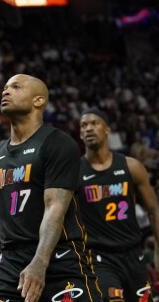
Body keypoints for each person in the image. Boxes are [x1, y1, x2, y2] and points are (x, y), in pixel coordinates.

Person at [0, 74, 102, 302]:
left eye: (15, 87)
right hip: (9, 262)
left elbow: (55, 209)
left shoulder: (57, 143)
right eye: (4, 88)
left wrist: (40, 262)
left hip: (59, 257)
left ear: (39, 100)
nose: (5, 91)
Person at [78, 108, 159, 302]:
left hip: (133, 254)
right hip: (98, 258)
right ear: (80, 134)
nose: (89, 128)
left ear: (107, 129)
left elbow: (154, 210)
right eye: (84, 125)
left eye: (94, 123)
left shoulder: (132, 167)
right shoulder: (74, 172)